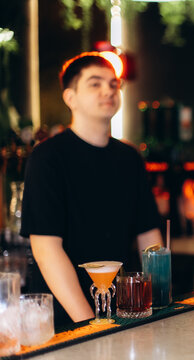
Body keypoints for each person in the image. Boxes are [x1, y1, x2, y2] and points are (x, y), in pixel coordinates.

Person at [21, 52, 163, 326]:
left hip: (122, 312)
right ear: (70, 97)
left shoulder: (129, 158)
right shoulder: (48, 157)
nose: (108, 90)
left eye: (113, 84)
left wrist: (157, 304)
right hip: (64, 320)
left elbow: (149, 237)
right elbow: (46, 249)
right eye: (95, 83)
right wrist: (89, 324)